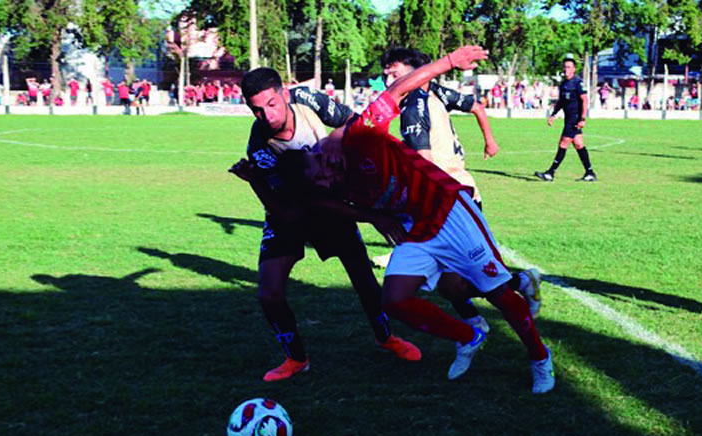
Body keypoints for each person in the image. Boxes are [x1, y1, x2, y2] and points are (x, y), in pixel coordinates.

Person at [233, 46, 555, 393]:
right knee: (396, 299)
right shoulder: (327, 182)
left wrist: (449, 62)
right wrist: (374, 218)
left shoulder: (360, 134)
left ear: (324, 154)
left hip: (448, 210)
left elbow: (397, 90)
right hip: (414, 227)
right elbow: (322, 204)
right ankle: (470, 334)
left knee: (496, 291)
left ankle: (540, 358)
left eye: (321, 168)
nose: (325, 178)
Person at [227, 66, 421, 382]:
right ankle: (296, 359)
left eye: (272, 104)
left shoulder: (308, 100)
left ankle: (385, 337)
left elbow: (354, 123)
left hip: (332, 202)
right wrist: (253, 181)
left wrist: (343, 154)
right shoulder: (260, 148)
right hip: (291, 208)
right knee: (269, 293)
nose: (267, 115)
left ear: (285, 94)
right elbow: (291, 212)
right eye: (257, 110)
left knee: (364, 280)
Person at [379, 47, 542, 332]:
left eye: (393, 70)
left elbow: (424, 165)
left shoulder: (414, 104)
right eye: (385, 71)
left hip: (451, 203)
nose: (386, 75)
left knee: (477, 278)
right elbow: (476, 107)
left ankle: (520, 301)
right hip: (455, 196)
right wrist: (489, 141)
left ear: (415, 71)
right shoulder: (432, 94)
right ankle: (476, 324)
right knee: (450, 280)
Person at [534, 54, 597, 182]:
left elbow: (585, 100)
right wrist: (553, 114)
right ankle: (590, 173)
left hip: (574, 119)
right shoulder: (563, 84)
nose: (566, 70)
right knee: (579, 145)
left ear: (574, 69)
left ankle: (550, 173)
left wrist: (583, 118)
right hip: (568, 118)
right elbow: (561, 102)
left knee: (563, 143)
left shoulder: (578, 83)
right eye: (565, 67)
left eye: (569, 67)